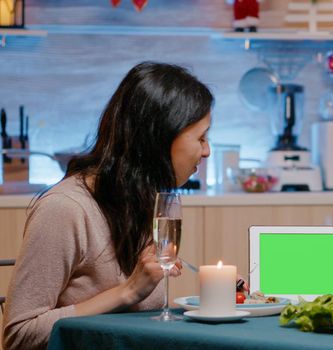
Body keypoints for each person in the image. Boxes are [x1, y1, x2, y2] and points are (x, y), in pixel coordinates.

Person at [2, 62, 214, 350]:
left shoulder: (144, 201)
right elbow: (19, 336)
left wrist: (216, 292)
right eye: (200, 138)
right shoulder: (65, 209)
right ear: (159, 138)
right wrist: (127, 292)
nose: (207, 151)